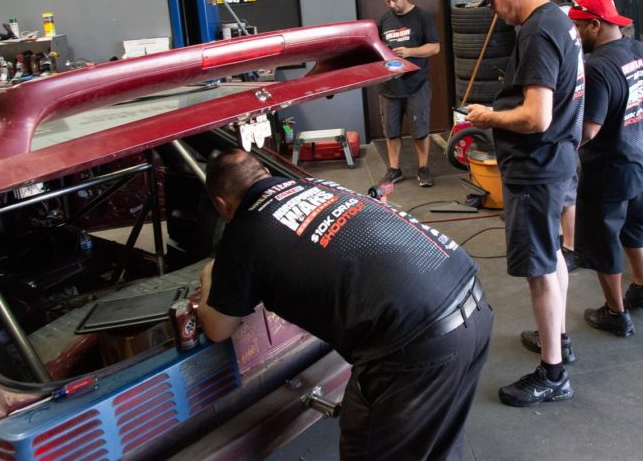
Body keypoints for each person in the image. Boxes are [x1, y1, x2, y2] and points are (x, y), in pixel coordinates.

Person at [196, 149, 492, 460]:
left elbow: (217, 328)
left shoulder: (242, 234)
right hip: (471, 299)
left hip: (415, 344)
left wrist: (209, 277)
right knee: (436, 448)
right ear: (265, 174)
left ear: (222, 204)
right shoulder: (318, 185)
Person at [464, 0, 584, 407]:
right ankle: (558, 338)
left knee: (538, 270)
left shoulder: (537, 31)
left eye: (492, 1)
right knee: (552, 255)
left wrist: (488, 116)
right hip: (558, 158)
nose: (494, 11)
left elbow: (536, 116)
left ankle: (553, 375)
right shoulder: (561, 21)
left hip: (537, 167)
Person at [568, 0, 643, 338]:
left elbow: (588, 130)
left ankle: (615, 313)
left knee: (603, 239)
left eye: (578, 27)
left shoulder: (597, 68)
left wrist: (557, 145)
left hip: (609, 169)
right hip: (642, 157)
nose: (574, 34)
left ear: (595, 24)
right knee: (635, 225)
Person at [377, 0, 441, 187]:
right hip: (389, 86)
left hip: (416, 84)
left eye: (394, 0)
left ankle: (423, 168)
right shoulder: (384, 20)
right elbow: (376, 48)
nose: (392, 5)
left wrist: (409, 51)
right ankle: (394, 170)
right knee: (391, 131)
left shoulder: (422, 17)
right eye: (387, 1)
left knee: (420, 131)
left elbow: (435, 47)